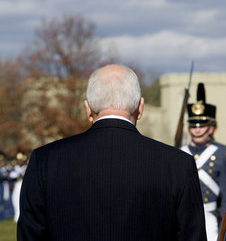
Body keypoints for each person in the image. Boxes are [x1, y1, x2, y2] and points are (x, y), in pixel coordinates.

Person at [17, 64, 207, 241]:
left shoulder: (45, 161)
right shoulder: (178, 165)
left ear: (88, 109)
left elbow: (30, 234)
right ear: (140, 108)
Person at [181, 83, 226, 241]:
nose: (197, 129)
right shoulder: (180, 152)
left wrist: (225, 220)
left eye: (202, 125)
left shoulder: (222, 152)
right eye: (193, 125)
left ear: (211, 128)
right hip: (184, 216)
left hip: (210, 216)